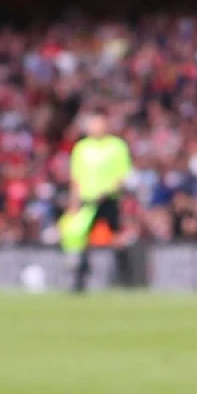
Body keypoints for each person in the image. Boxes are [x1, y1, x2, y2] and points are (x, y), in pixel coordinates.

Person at [67, 113, 133, 292]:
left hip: (109, 199)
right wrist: (74, 202)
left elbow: (124, 173)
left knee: (116, 237)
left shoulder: (116, 146)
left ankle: (125, 279)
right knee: (82, 238)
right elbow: (76, 177)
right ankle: (79, 280)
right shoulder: (81, 148)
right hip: (87, 200)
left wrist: (109, 190)